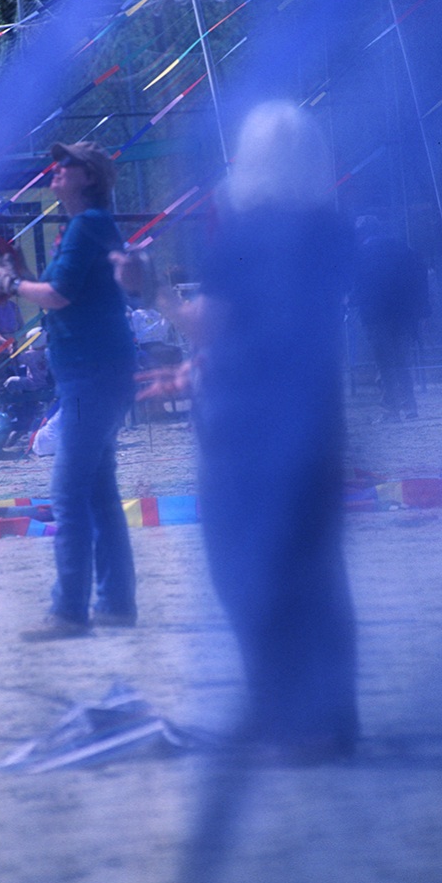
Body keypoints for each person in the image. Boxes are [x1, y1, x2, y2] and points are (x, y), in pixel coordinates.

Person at [115, 100, 359, 762]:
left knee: (248, 569)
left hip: (253, 431)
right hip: (319, 420)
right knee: (317, 568)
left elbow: (210, 326)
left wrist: (152, 290)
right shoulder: (331, 231)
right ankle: (327, 715)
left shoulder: (245, 238)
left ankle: (294, 718)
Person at [0, 142, 137, 640]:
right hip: (95, 371)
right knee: (98, 492)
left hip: (90, 374)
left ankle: (70, 612)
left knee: (69, 491)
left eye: (66, 164)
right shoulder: (88, 225)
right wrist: (22, 283)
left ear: (88, 177)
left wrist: (11, 285)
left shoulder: (87, 224)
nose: (57, 169)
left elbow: (58, 295)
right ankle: (115, 603)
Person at [353, 215, 429, 421]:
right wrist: (422, 311)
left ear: (362, 233)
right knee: (402, 361)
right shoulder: (403, 249)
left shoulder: (362, 254)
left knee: (384, 363)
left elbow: (356, 286)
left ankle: (391, 409)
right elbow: (421, 277)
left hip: (376, 316)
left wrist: (352, 302)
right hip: (403, 315)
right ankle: (410, 406)